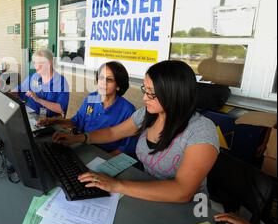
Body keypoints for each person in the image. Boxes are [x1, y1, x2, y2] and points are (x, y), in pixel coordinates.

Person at [53, 60, 219, 203]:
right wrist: (80, 138)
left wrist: (116, 185)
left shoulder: (201, 130)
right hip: (147, 191)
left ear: (174, 94)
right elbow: (113, 133)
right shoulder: (147, 114)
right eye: (144, 90)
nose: (145, 98)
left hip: (190, 208)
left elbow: (182, 191)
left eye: (152, 93)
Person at [39, 61, 137, 154]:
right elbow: (76, 121)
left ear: (118, 86)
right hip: (84, 146)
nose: (103, 82)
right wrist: (54, 121)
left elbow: (126, 149)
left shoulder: (127, 110)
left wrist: (104, 162)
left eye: (109, 80)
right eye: (101, 78)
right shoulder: (92, 98)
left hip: (106, 155)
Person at [14, 49, 69, 118]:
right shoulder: (34, 77)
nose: (35, 66)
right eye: (34, 63)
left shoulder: (61, 82)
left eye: (39, 63)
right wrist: (10, 93)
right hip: (30, 115)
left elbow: (61, 109)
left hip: (48, 121)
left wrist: (38, 100)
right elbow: (19, 89)